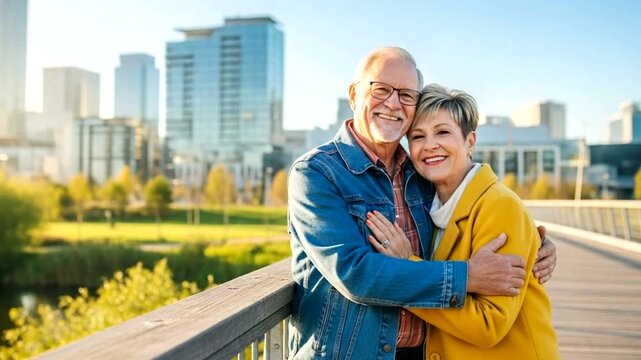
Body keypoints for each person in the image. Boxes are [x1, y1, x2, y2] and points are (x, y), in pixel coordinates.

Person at [287, 46, 557, 360]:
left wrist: (534, 246)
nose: (392, 103)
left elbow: (471, 214)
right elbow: (355, 274)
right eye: (381, 89)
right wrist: (467, 275)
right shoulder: (317, 173)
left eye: (406, 94)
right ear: (353, 95)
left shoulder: (422, 175)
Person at [366, 84, 559, 359]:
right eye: (418, 136)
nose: (430, 145)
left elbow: (489, 324)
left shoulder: (499, 205)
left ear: (470, 142)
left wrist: (407, 270)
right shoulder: (427, 205)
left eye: (443, 132)